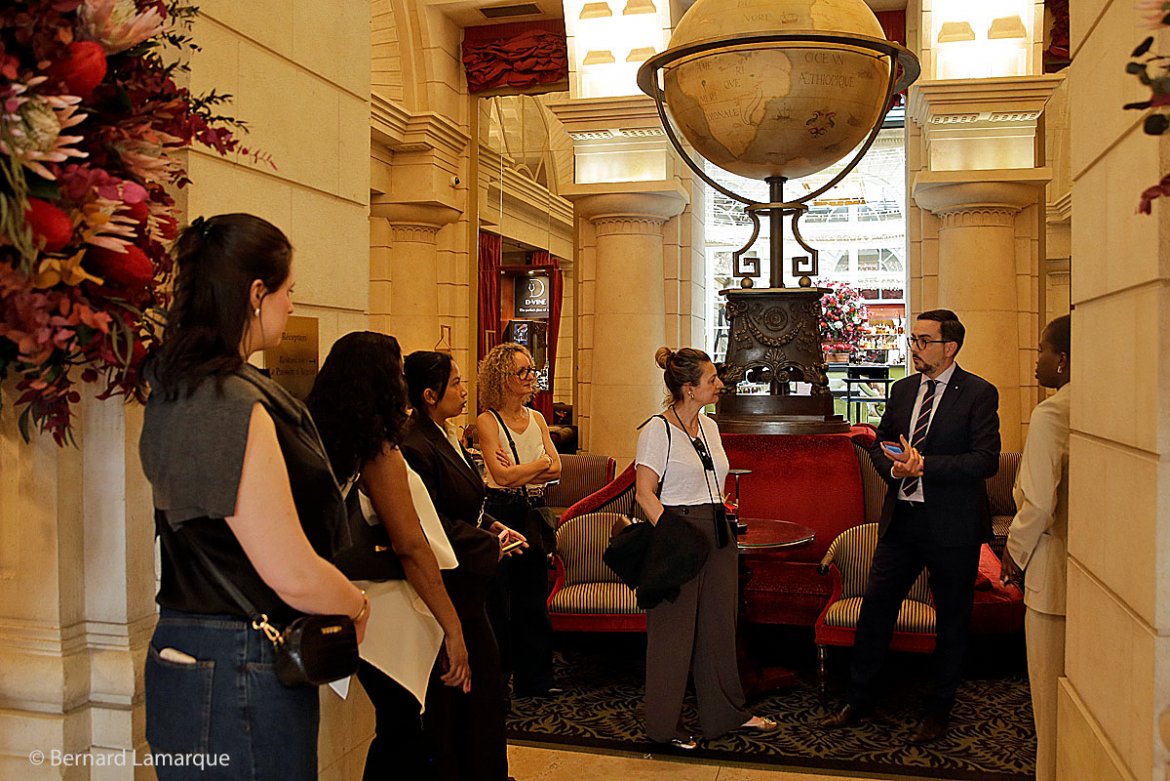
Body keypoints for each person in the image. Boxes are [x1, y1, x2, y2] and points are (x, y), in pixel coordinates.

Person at [138, 213, 370, 780]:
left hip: (208, 651)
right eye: (288, 290)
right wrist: (356, 604)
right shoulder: (227, 401)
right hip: (238, 658)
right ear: (256, 293)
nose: (292, 304)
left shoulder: (183, 386)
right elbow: (288, 570)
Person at [822, 309, 1001, 744]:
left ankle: (938, 710)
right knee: (876, 609)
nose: (914, 349)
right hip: (902, 520)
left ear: (949, 347)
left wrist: (925, 467)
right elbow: (881, 443)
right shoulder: (903, 390)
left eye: (923, 341)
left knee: (953, 620)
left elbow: (985, 460)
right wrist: (894, 469)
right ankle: (858, 699)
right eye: (913, 340)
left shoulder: (978, 393)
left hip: (952, 526)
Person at [306, 332, 471, 781]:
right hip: (387, 611)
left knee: (399, 730)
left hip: (355, 600)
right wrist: (453, 626)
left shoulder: (322, 437)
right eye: (397, 371)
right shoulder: (379, 452)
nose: (403, 381)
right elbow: (411, 545)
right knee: (403, 734)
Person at [634, 346, 777, 749]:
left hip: (718, 531)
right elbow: (644, 493)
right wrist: (674, 536)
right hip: (678, 533)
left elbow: (713, 478)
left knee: (719, 628)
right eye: (712, 379)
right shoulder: (657, 431)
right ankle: (663, 726)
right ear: (689, 388)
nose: (720, 384)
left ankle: (726, 713)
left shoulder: (710, 426)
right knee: (673, 634)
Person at [402, 350, 524, 781]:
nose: (464, 390)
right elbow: (430, 521)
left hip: (470, 582)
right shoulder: (415, 445)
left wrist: (492, 526)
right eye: (455, 383)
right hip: (448, 585)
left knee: (483, 689)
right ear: (429, 394)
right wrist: (488, 544)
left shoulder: (446, 433)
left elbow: (467, 502)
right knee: (461, 692)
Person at [1001, 314, 1071, 781]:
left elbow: (1040, 502)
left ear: (1062, 360)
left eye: (1042, 349)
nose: (1036, 359)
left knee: (1047, 697)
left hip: (1050, 569)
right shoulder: (1099, 403)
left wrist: (1013, 551)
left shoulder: (1051, 413)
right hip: (1085, 570)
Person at [476, 342, 562, 698]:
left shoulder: (537, 419)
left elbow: (557, 469)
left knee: (533, 598)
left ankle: (536, 680)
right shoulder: (487, 421)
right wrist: (539, 464)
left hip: (533, 512)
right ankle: (498, 681)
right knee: (498, 598)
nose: (530, 377)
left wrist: (525, 469)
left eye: (532, 370)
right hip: (501, 511)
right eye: (522, 371)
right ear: (502, 378)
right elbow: (502, 477)